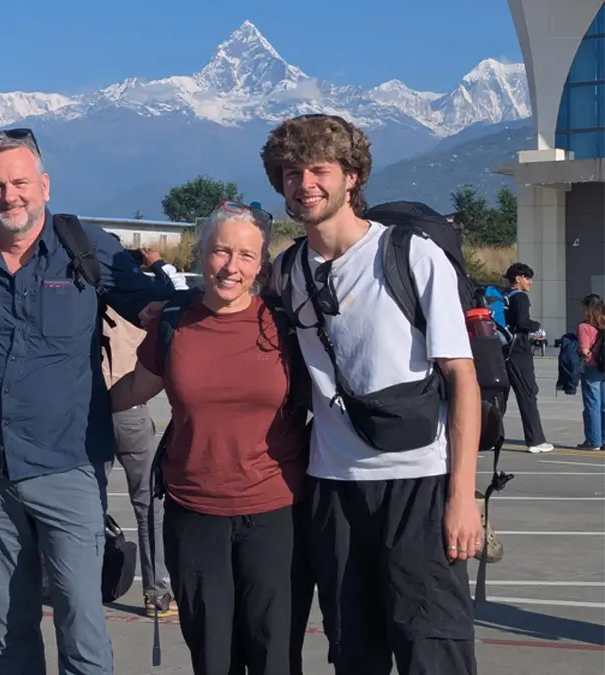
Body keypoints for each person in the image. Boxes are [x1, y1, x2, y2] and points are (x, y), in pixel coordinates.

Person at [0, 127, 180, 675]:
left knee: (82, 625)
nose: (8, 196)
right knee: (6, 628)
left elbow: (159, 308)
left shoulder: (84, 248)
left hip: (69, 466)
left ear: (43, 185)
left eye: (19, 182)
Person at [260, 113, 482, 674]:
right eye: (289, 172)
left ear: (353, 176)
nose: (304, 183)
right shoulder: (287, 271)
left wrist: (462, 498)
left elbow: (462, 377)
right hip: (333, 488)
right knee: (352, 650)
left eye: (319, 169)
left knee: (433, 646)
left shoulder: (409, 254)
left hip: (419, 481)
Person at [110, 201, 311, 675]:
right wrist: (68, 408)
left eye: (245, 255)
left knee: (272, 655)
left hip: (273, 513)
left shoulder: (285, 326)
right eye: (221, 251)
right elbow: (135, 387)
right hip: (194, 513)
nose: (231, 267)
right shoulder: (174, 322)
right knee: (212, 657)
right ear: (201, 254)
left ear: (261, 264)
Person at [101, 233, 177, 617]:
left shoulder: (88, 294)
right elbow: (174, 289)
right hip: (130, 403)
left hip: (92, 406)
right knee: (148, 503)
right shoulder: (141, 296)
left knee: (85, 503)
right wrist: (154, 262)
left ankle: (81, 579)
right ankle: (156, 591)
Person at [501, 262, 552, 453]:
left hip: (502, 351)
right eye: (527, 278)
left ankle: (488, 437)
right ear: (518, 279)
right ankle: (535, 440)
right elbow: (523, 322)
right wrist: (536, 326)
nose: (530, 282)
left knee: (499, 397)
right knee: (528, 395)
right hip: (519, 352)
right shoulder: (520, 297)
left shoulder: (503, 297)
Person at [575, 293, 605, 450]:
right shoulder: (603, 324)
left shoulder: (584, 326)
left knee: (592, 404)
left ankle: (593, 441)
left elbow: (585, 350)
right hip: (604, 366)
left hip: (592, 367)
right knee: (604, 405)